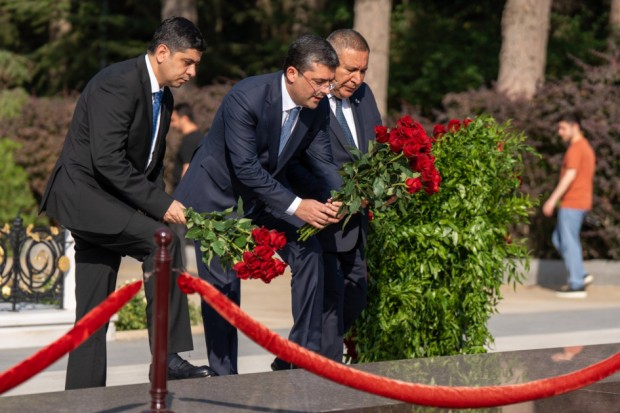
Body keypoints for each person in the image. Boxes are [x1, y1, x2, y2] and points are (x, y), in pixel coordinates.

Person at [39, 17, 215, 389]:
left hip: (110, 203)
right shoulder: (117, 83)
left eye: (196, 63)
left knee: (92, 314)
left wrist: (158, 204)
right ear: (162, 52)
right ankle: (167, 358)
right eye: (187, 61)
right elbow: (107, 159)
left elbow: (150, 164)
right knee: (162, 241)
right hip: (86, 199)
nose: (192, 72)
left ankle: (81, 399)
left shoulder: (164, 96)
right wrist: (161, 207)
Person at [174, 34, 343, 375]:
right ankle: (225, 377)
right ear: (292, 73)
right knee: (223, 287)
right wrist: (298, 205)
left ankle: (300, 358)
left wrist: (343, 196)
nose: (326, 90)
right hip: (215, 198)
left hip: (264, 197)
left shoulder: (318, 107)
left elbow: (323, 163)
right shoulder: (246, 97)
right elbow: (246, 169)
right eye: (320, 82)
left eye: (330, 83)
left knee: (309, 250)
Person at [289, 29, 382, 362]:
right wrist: (327, 198)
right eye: (350, 70)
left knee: (354, 299)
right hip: (320, 218)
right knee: (328, 309)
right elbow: (292, 160)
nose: (358, 79)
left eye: (363, 71)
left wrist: (380, 187)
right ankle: (327, 378)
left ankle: (292, 357)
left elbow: (375, 149)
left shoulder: (364, 95)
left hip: (355, 224)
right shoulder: (309, 98)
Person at [542, 113, 596, 298]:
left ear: (576, 127)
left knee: (568, 241)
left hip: (573, 202)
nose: (560, 132)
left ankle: (576, 284)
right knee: (559, 239)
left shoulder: (576, 148)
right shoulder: (585, 147)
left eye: (563, 128)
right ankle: (580, 274)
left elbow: (570, 176)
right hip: (579, 201)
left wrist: (552, 200)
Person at [169, 102, 203, 261]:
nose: (172, 124)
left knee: (177, 235)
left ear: (184, 118)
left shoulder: (190, 140)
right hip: (197, 195)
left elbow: (187, 171)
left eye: (174, 120)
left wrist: (178, 199)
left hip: (183, 197)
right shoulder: (200, 137)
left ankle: (179, 269)